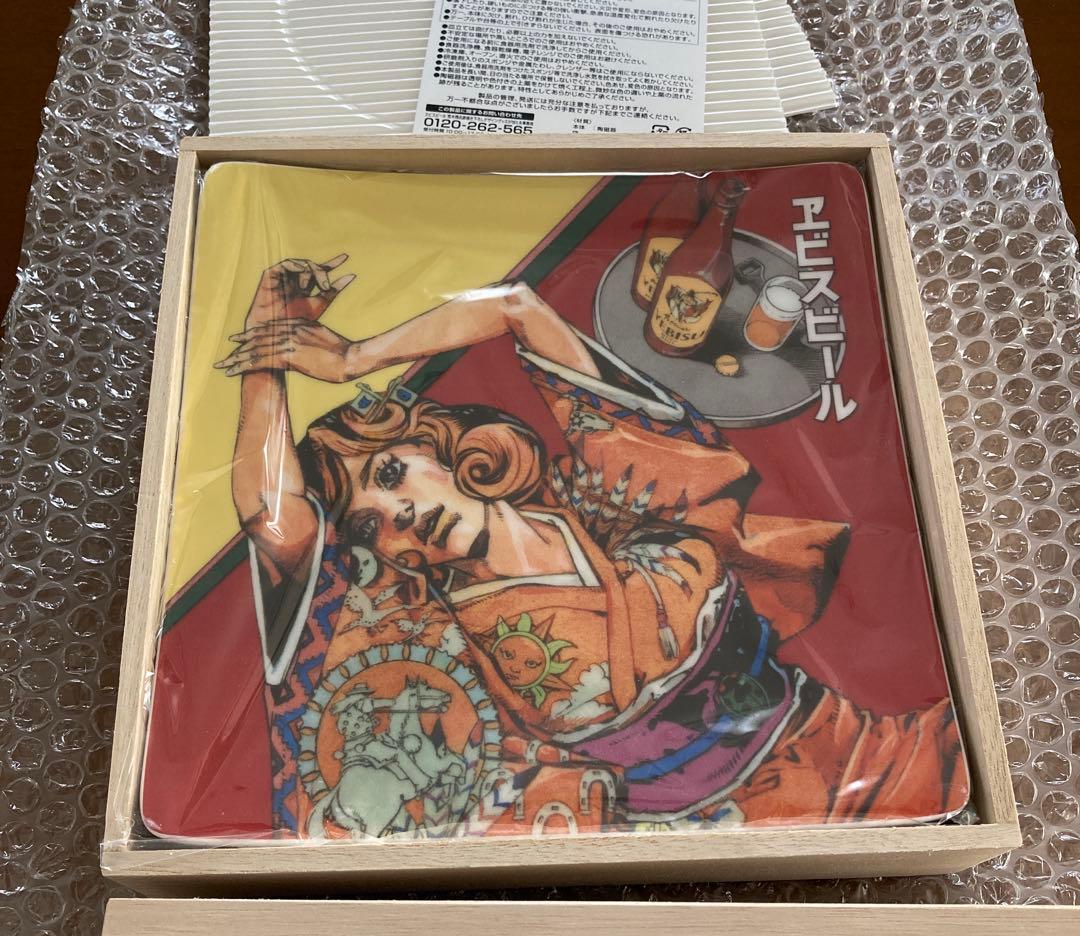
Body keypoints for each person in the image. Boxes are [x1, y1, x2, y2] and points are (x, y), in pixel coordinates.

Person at [217, 254, 968, 839]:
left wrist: (354, 359)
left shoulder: (598, 497)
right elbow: (270, 515)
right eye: (367, 525)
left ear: (438, 448)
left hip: (867, 751)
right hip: (730, 838)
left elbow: (516, 308)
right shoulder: (433, 629)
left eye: (390, 474)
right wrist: (262, 364)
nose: (398, 515)